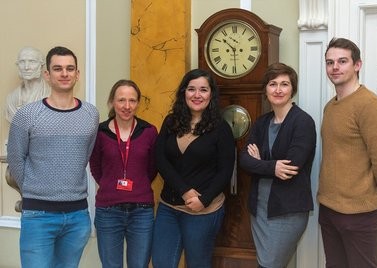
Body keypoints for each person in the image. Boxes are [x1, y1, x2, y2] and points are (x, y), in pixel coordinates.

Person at [7, 46, 99, 268]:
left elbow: (84, 155)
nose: (64, 73)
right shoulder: (26, 115)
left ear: (77, 74)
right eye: (57, 68)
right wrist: (34, 190)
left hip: (77, 216)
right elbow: (16, 159)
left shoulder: (90, 114)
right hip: (38, 216)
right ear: (47, 75)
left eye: (70, 68)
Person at [318, 37, 377, 268]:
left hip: (359, 213)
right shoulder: (331, 106)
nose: (335, 67)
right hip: (329, 207)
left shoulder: (369, 106)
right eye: (330, 62)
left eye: (342, 61)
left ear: (357, 65)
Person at [151, 69, 235, 268]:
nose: (197, 95)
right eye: (191, 89)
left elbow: (225, 170)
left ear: (211, 94)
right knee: (162, 263)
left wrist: (203, 200)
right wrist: (184, 190)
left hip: (204, 211)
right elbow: (160, 158)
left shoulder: (221, 128)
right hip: (169, 207)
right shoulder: (171, 122)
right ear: (184, 93)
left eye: (203, 90)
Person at [239, 62, 316, 268]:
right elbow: (244, 159)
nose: (278, 89)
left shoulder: (303, 122)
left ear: (293, 89)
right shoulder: (262, 122)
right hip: (260, 208)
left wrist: (261, 163)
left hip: (287, 210)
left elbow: (291, 167)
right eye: (273, 84)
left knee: (269, 264)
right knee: (266, 263)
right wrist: (272, 167)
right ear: (266, 89)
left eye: (285, 84)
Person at [89, 79, 158, 268]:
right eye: (121, 100)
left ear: (138, 103)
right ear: (112, 102)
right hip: (108, 211)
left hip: (141, 211)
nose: (127, 106)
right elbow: (95, 166)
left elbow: (152, 168)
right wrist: (110, 185)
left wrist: (138, 183)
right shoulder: (100, 132)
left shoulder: (149, 132)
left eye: (132, 101)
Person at [6, 46, 50, 122]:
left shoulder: (51, 94)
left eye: (32, 61)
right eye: (22, 62)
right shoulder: (11, 99)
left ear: (41, 65)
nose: (26, 67)